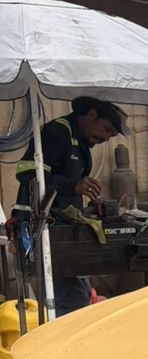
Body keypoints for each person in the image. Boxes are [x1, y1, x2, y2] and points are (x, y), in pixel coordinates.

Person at [14, 95, 126, 316]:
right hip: (47, 228)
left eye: (110, 135)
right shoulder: (56, 133)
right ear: (91, 115)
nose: (105, 137)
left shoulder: (82, 142)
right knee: (70, 299)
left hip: (68, 229)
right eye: (105, 129)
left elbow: (74, 187)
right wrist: (73, 186)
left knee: (80, 293)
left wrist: (90, 201)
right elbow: (26, 172)